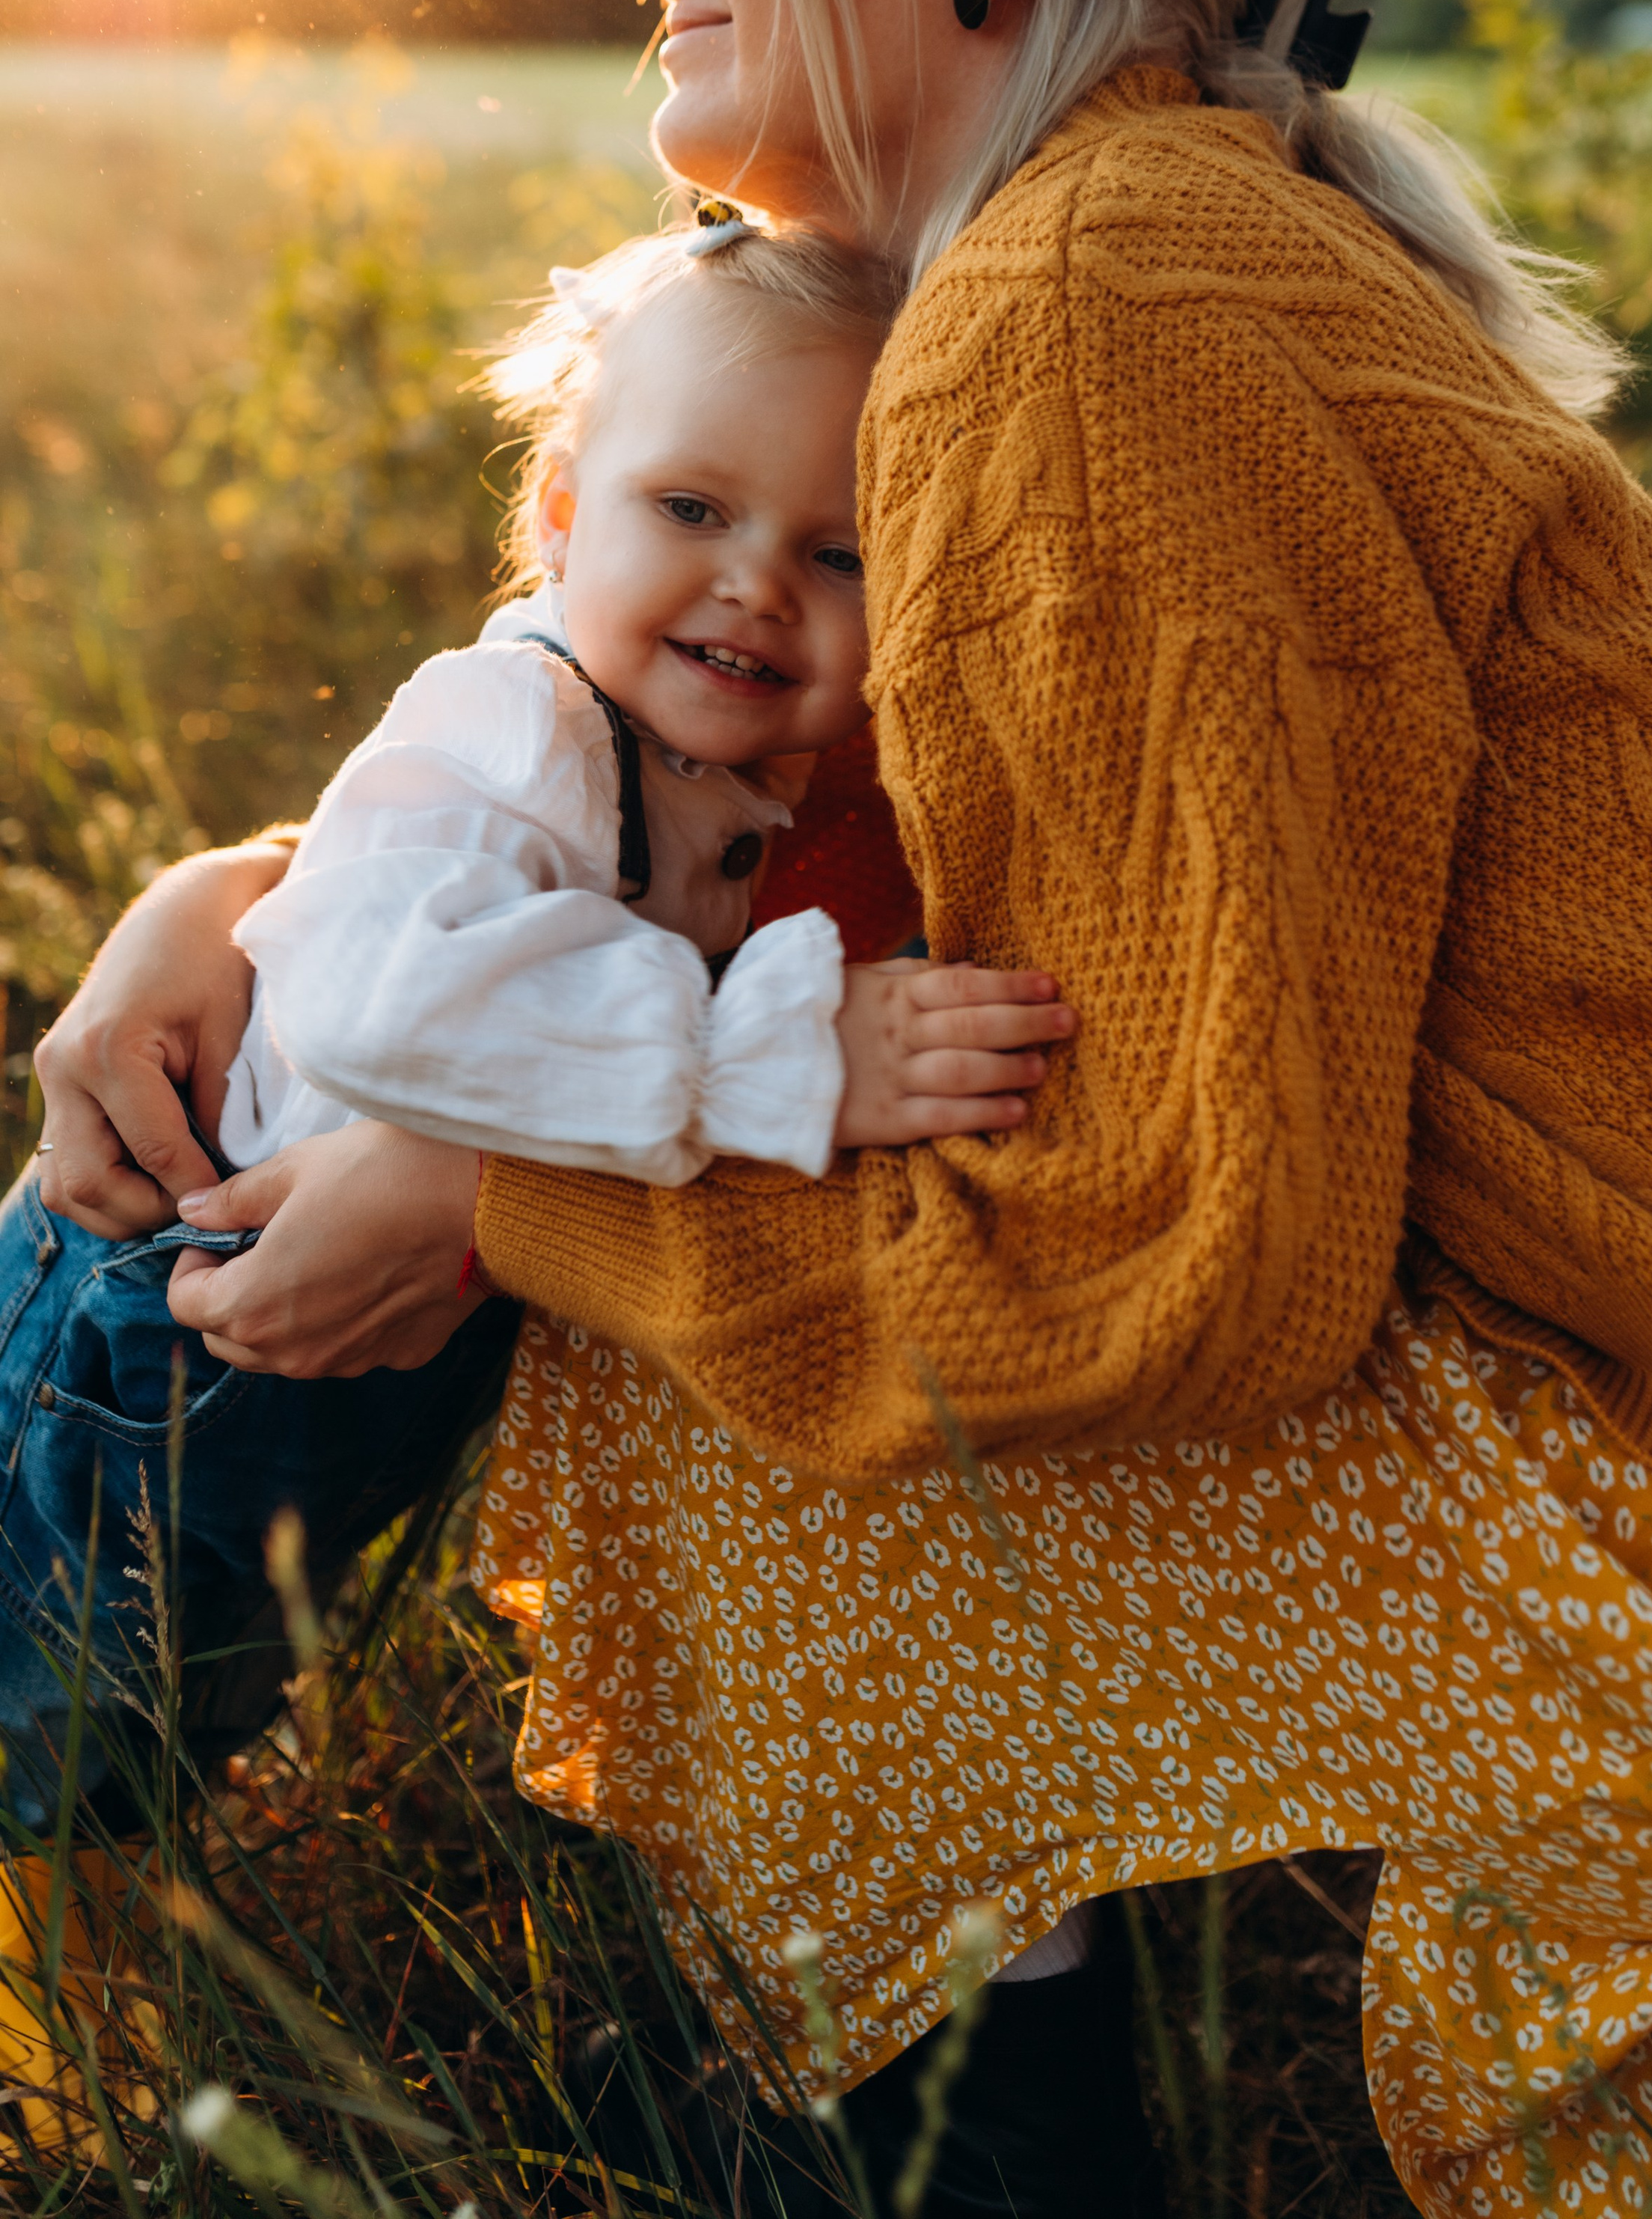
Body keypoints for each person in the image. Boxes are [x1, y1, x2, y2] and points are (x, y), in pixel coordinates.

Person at [38, 0, 1652, 2215]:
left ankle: (919, 2137)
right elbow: (826, 812)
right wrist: (238, 903)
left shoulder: (1099, 314)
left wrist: (501, 1187)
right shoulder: (1104, 248)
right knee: (704, 1170)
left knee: (694, 1371)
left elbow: (1188, 1261)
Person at [0, 219, 1064, 1840]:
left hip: (306, 1350)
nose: (754, 584)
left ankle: (95, 1931)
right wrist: (770, 1052)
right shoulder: (522, 725)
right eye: (690, 509)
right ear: (561, 515)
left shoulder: (721, 767)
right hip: (151, 1316)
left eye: (836, 553)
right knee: (42, 1703)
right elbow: (378, 1001)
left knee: (139, 1736)